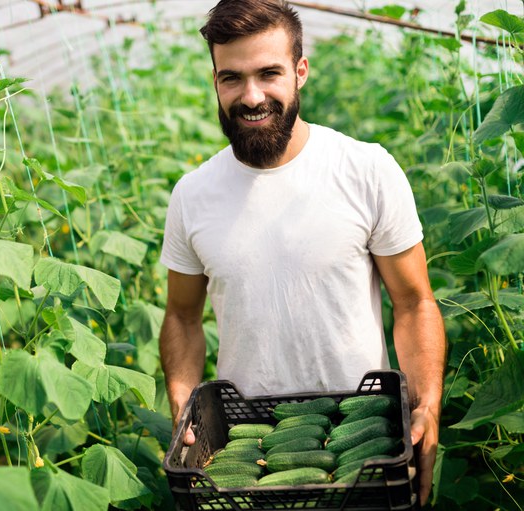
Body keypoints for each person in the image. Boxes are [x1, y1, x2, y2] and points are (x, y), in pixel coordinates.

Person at [158, 0, 446, 505]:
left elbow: (414, 302)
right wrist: (183, 403)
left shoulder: (366, 170)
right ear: (215, 81)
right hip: (246, 456)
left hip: (363, 445)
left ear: (301, 71)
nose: (251, 96)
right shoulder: (192, 194)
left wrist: (428, 406)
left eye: (269, 73)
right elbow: (182, 316)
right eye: (232, 78)